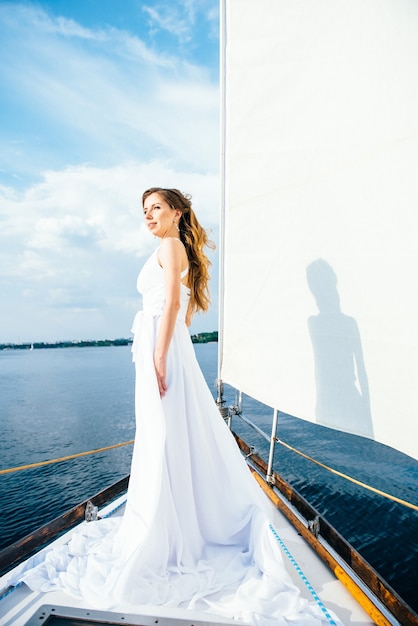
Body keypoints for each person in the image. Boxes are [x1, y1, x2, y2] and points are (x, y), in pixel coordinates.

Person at [11, 188, 332, 625]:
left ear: (177, 212)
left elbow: (175, 305)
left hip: (161, 349)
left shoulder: (170, 244)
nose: (148, 215)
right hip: (161, 345)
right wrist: (165, 348)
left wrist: (161, 355)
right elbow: (178, 313)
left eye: (156, 207)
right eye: (144, 210)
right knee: (165, 431)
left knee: (163, 432)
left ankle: (169, 521)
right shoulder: (172, 247)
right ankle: (172, 511)